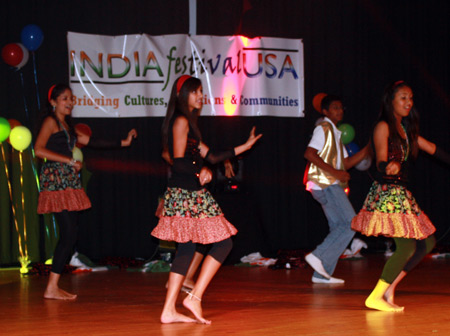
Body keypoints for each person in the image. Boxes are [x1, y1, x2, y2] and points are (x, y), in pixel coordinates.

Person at [151, 75, 262, 324]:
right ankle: (194, 297)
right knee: (223, 243)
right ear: (183, 95)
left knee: (188, 248)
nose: (201, 96)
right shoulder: (180, 121)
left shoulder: (189, 125)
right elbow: (177, 160)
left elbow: (211, 155)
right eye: (196, 92)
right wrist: (199, 171)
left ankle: (170, 309)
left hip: (188, 192)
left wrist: (244, 147)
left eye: (201, 91)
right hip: (187, 193)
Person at [351, 81, 450, 312]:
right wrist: (388, 166)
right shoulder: (383, 126)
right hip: (388, 193)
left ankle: (389, 286)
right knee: (406, 247)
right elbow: (381, 159)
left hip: (401, 193)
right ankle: (375, 296)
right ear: (391, 101)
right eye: (403, 97)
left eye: (411, 98)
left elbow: (434, 149)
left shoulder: (406, 130)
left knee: (427, 243)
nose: (409, 102)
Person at [35, 83, 137, 300]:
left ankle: (53, 285)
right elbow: (39, 149)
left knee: (71, 233)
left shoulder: (68, 127)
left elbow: (95, 142)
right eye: (64, 98)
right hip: (56, 181)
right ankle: (52, 287)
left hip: (69, 181)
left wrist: (124, 142)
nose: (70, 102)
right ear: (53, 102)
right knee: (69, 233)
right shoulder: (50, 122)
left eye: (71, 98)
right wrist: (68, 160)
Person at [304, 94, 370, 284]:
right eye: (334, 107)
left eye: (341, 108)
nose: (339, 111)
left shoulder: (335, 133)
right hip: (326, 183)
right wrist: (335, 173)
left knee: (338, 226)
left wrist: (367, 150)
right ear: (325, 111)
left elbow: (346, 163)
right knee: (351, 223)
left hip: (327, 183)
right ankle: (318, 255)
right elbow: (309, 153)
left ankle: (320, 274)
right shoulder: (323, 128)